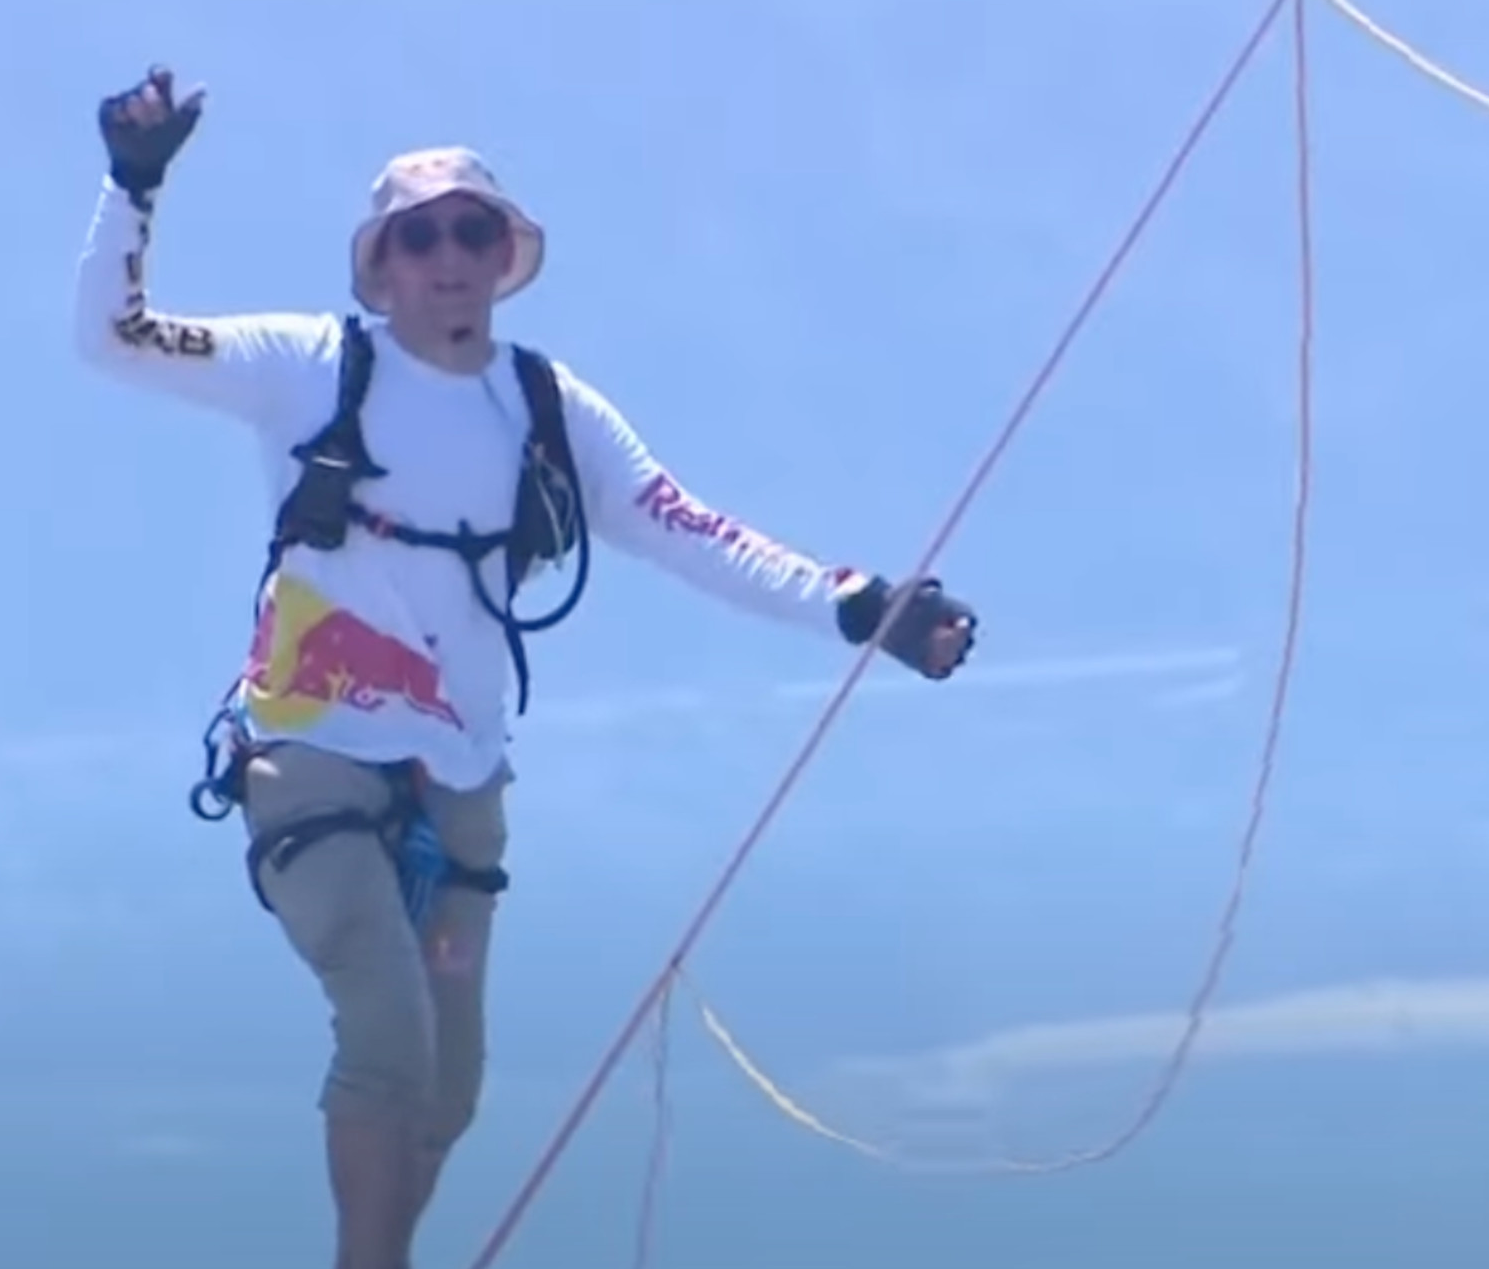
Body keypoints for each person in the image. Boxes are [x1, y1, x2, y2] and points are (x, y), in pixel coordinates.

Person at [68, 66, 979, 1269]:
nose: (449, 254)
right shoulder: (305, 365)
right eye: (420, 235)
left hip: (460, 791)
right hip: (311, 760)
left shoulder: (553, 411)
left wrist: (863, 608)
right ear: (381, 265)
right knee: (387, 1036)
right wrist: (134, 185)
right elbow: (115, 339)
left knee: (447, 1094)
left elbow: (693, 532)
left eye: (473, 230)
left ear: (505, 255)